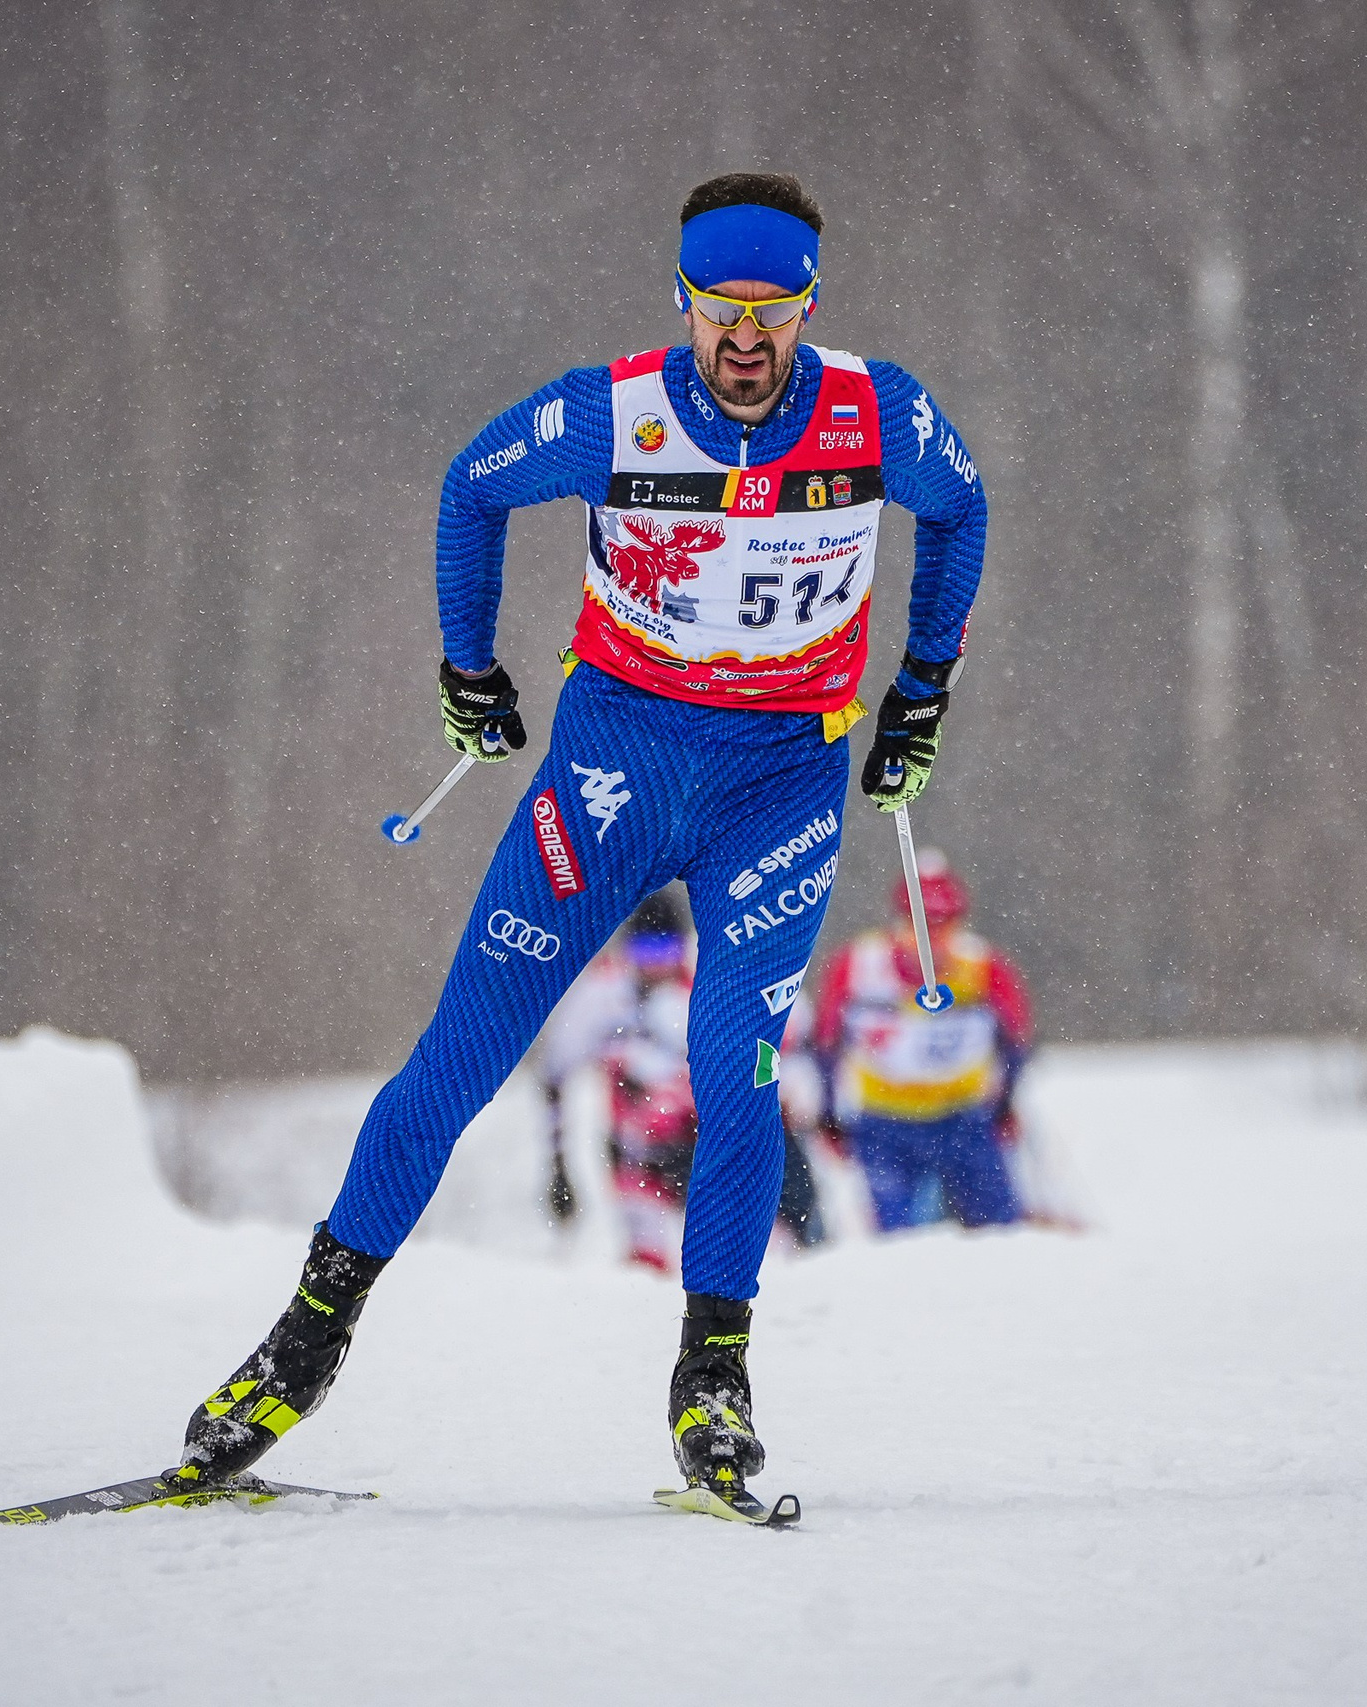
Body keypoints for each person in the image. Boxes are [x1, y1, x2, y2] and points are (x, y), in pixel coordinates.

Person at [170, 171, 987, 1512]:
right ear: (683, 304)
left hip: (778, 785)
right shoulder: (614, 412)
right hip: (612, 775)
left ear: (808, 309)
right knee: (457, 1064)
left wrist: (923, 686)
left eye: (772, 313)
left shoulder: (877, 411)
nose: (744, 341)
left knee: (736, 1066)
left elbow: (962, 509)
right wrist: (466, 670)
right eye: (720, 311)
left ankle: (711, 1375)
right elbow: (470, 485)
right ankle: (303, 1342)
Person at [538, 891, 825, 1271]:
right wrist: (558, 1166)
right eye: (645, 953)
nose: (656, 966)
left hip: (722, 1138)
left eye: (666, 952)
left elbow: (784, 1040)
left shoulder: (715, 974)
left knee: (757, 1256)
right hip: (642, 1152)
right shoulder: (602, 995)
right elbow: (556, 1072)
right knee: (647, 1266)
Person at [813, 849, 1034, 1233]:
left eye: (945, 925)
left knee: (1000, 1232)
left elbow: (1017, 1040)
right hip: (885, 1121)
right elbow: (826, 1043)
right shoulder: (858, 963)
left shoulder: (985, 965)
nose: (933, 938)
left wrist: (1005, 1106)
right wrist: (830, 1116)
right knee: (899, 1239)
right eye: (920, 925)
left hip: (962, 1117)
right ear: (898, 920)